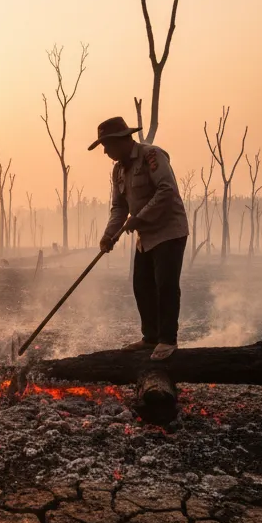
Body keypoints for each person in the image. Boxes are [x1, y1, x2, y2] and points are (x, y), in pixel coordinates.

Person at [90, 116, 190, 361]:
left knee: (165, 285)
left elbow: (167, 190)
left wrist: (139, 218)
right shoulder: (118, 171)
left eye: (107, 145)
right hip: (145, 237)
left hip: (168, 230)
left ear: (122, 140)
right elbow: (119, 208)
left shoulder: (152, 156)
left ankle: (167, 340)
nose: (104, 151)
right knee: (142, 286)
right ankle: (151, 337)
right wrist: (108, 235)